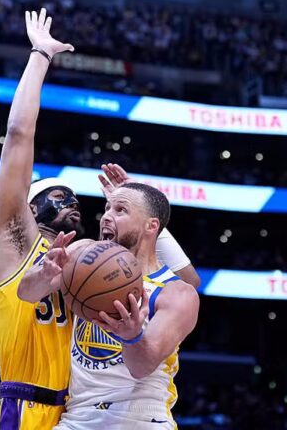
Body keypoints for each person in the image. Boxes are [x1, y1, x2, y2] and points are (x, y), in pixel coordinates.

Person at [0, 7, 81, 430]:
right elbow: (18, 136)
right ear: (31, 206)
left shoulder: (80, 259)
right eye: (61, 197)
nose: (74, 203)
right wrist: (40, 56)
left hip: (77, 409)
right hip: (26, 407)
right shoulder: (16, 240)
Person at [54, 182, 200, 429]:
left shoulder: (175, 293)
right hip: (77, 416)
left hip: (140, 418)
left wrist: (132, 337)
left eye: (120, 210)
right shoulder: (83, 259)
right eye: (107, 207)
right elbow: (25, 292)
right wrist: (42, 273)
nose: (106, 216)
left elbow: (141, 367)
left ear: (152, 226)